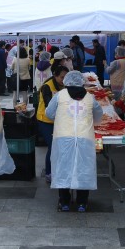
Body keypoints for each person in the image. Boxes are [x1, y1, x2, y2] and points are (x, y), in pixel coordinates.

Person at [45, 70, 102, 212]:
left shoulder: (59, 96)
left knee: (63, 168)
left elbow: (49, 113)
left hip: (63, 137)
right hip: (84, 138)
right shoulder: (90, 97)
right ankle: (82, 203)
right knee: (83, 168)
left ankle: (64, 202)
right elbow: (98, 115)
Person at [35, 65, 68, 182]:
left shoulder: (64, 86)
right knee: (52, 145)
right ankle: (49, 172)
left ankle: (58, 169)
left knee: (58, 146)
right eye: (61, 77)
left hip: (59, 120)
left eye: (66, 77)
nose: (63, 80)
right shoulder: (47, 87)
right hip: (45, 120)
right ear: (55, 75)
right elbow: (50, 105)